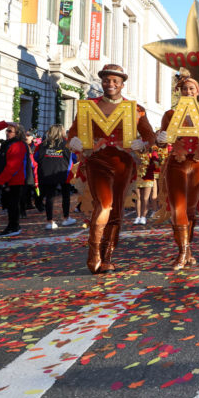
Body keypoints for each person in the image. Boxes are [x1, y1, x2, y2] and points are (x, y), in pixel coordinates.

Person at [67, 64, 156, 273]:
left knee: (116, 211)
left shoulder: (136, 109)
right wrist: (73, 142)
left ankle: (107, 256)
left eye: (115, 81)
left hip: (123, 165)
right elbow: (72, 133)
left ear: (122, 84)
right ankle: (94, 254)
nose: (111, 84)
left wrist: (143, 144)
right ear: (102, 82)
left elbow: (149, 136)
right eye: (107, 80)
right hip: (97, 162)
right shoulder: (89, 106)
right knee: (104, 205)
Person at [156, 76, 199, 269]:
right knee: (177, 207)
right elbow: (161, 141)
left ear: (198, 92)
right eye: (184, 89)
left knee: (190, 209)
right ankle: (182, 253)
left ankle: (188, 249)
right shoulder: (170, 114)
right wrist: (161, 138)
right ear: (179, 92)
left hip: (198, 164)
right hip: (176, 163)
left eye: (192, 89)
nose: (188, 92)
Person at [35, 124, 77, 229]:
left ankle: (50, 221)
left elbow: (36, 158)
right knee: (66, 196)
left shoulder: (42, 145)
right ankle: (66, 218)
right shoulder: (67, 144)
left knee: (50, 197)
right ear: (61, 132)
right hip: (64, 172)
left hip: (48, 173)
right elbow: (75, 158)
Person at [0, 123, 30, 237]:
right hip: (9, 179)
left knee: (13, 204)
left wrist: (0, 180)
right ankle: (12, 226)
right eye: (7, 130)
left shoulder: (17, 145)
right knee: (10, 204)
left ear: (17, 133)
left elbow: (13, 166)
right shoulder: (8, 144)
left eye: (10, 131)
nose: (7, 133)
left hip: (15, 180)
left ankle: (14, 227)